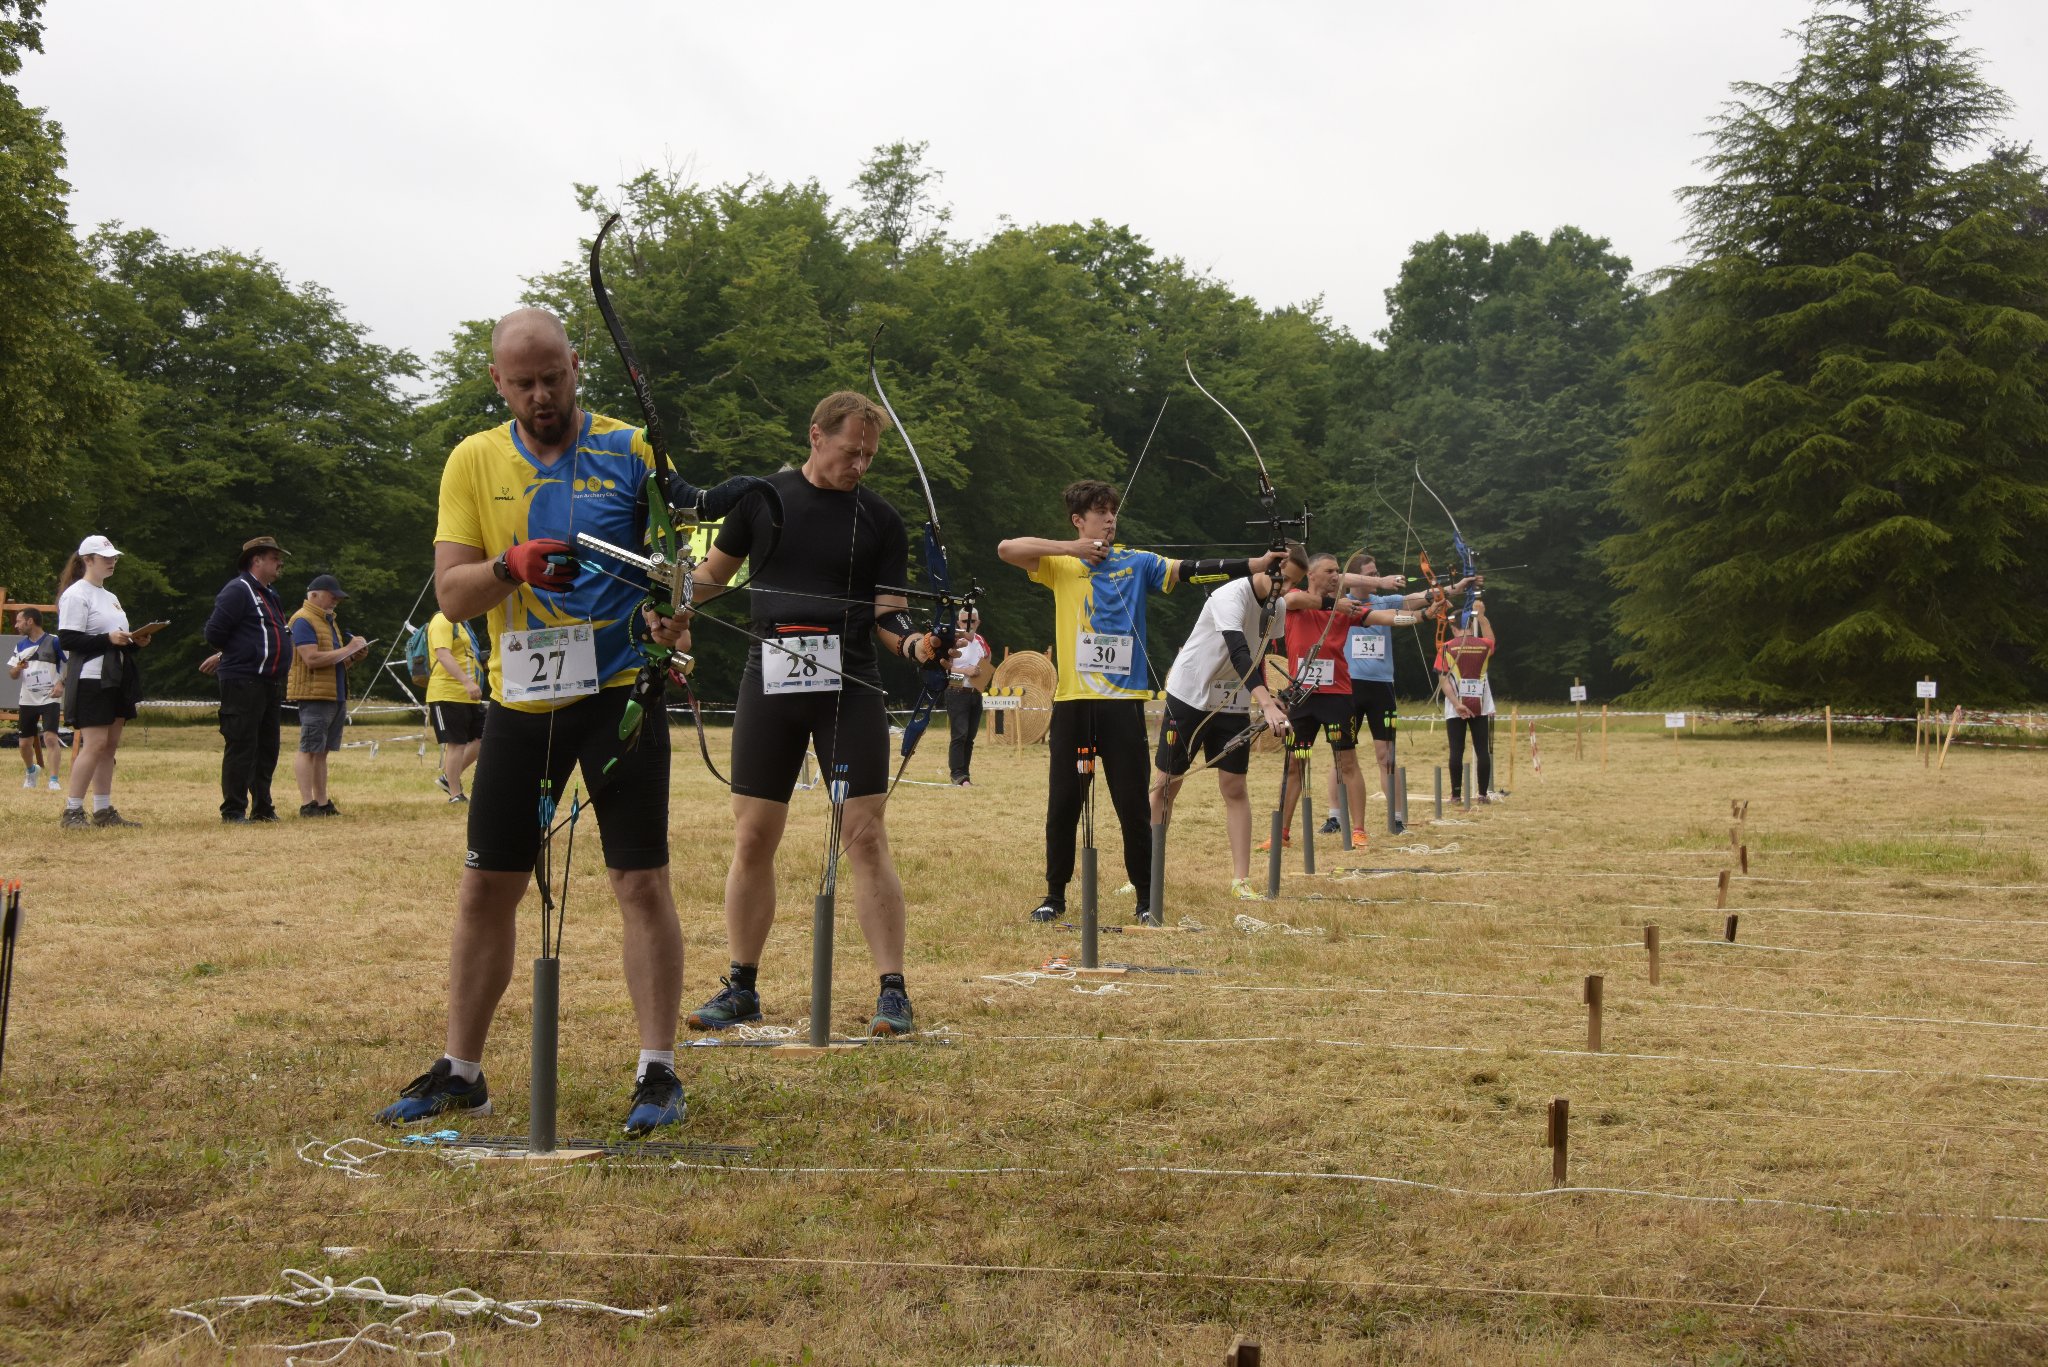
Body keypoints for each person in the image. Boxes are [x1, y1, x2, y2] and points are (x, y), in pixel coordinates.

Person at [378, 306, 703, 1136]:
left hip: (619, 695)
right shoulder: (473, 459)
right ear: (497, 381)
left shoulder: (632, 451)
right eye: (521, 383)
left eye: (551, 376)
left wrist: (676, 616)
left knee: (640, 879)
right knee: (488, 886)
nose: (539, 395)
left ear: (576, 364)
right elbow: (451, 594)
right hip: (519, 703)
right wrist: (508, 564)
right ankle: (462, 1068)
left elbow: (686, 569)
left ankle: (658, 1069)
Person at [684, 390, 945, 1039]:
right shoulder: (760, 499)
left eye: (870, 455)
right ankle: (742, 985)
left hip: (850, 679)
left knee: (865, 833)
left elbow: (891, 614)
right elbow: (715, 576)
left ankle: (892, 989)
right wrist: (669, 593)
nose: (860, 463)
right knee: (752, 835)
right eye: (851, 450)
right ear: (816, 435)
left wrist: (917, 645)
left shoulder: (880, 519)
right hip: (768, 673)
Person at [997, 480, 1282, 925]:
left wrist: (1254, 565)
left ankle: (1146, 900)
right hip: (1074, 701)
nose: (1110, 519)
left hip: (1123, 702)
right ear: (1079, 520)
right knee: (1063, 804)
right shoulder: (1059, 563)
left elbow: (1193, 570)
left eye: (1113, 511)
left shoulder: (1138, 562)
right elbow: (1006, 549)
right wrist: (1073, 550)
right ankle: (1054, 895)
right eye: (1100, 512)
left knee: (1132, 802)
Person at [1150, 547, 1303, 899]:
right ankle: (1145, 871)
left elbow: (1260, 651)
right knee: (1166, 785)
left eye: (1296, 582)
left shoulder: (1277, 606)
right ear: (1269, 567)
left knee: (1234, 788)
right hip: (1189, 695)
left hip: (1233, 702)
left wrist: (1272, 697)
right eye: (1285, 577)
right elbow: (1239, 651)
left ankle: (1240, 880)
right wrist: (1265, 703)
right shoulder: (1229, 594)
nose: (1288, 587)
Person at [1320, 552, 1476, 835]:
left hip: (1381, 687)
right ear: (1360, 577)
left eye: (1376, 571)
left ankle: (1397, 818)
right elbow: (1336, 581)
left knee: (1387, 756)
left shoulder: (1384, 602)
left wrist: (1454, 588)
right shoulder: (1342, 604)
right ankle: (1335, 816)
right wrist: (1382, 581)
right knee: (1342, 756)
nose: (1376, 575)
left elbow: (1420, 597)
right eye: (1370, 572)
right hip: (1347, 686)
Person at [1265, 552, 1372, 851]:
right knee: (1294, 765)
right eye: (1331, 571)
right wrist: (1335, 604)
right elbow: (1292, 601)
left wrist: (1421, 614)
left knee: (1347, 762)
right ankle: (1281, 833)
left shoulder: (1345, 608)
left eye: (1339, 571)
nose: (1336, 576)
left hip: (1337, 696)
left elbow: (1382, 615)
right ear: (1311, 575)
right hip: (1301, 697)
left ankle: (1359, 831)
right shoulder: (1296, 596)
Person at [55, 535, 149, 828]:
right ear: (87, 560)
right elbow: (69, 639)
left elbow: (115, 642)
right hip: (90, 679)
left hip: (116, 677)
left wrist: (136, 642)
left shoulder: (110, 597)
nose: (111, 562)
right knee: (93, 745)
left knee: (109, 746)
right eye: (104, 557)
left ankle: (103, 810)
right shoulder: (76, 594)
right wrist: (108, 638)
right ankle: (72, 811)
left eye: (113, 557)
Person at [202, 536, 293, 823]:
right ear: (256, 560)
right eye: (274, 557)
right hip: (243, 681)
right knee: (242, 745)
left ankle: (263, 808)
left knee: (267, 748)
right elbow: (214, 633)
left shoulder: (270, 594)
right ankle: (233, 810)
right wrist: (236, 654)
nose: (280, 563)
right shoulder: (237, 590)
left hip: (270, 682)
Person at [286, 573, 369, 817]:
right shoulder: (302, 620)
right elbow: (311, 659)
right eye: (332, 596)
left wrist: (354, 656)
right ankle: (307, 803)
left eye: (338, 598)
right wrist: (348, 649)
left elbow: (336, 662)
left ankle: (322, 803)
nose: (336, 601)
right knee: (309, 748)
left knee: (322, 752)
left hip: (335, 693)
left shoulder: (328, 621)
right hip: (314, 695)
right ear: (314, 595)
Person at [1438, 600, 1498, 803]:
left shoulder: (1446, 647)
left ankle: (1455, 795)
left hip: (1456, 707)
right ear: (1471, 626)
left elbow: (1443, 680)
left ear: (1453, 627)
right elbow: (1490, 637)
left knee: (1456, 749)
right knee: (1482, 749)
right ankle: (1482, 795)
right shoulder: (1484, 645)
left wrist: (1456, 704)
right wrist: (1481, 616)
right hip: (1482, 705)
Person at [426, 611, 485, 803]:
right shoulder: (442, 620)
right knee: (456, 743)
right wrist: (466, 682)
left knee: (483, 738)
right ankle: (455, 794)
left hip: (468, 696)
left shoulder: (463, 624)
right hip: (447, 692)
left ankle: (448, 777)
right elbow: (443, 655)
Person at [9, 608, 64, 792]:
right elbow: (13, 674)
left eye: (19, 621)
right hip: (27, 699)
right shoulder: (21, 646)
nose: (16, 625)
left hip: (50, 699)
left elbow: (69, 664)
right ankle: (31, 771)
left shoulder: (54, 641)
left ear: (30, 621)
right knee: (24, 743)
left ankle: (54, 780)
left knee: (50, 738)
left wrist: (61, 684)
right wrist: (18, 668)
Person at [944, 606, 992, 785]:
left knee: (970, 736)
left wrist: (981, 677)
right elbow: (945, 668)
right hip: (956, 691)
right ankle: (957, 775)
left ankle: (965, 775)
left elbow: (988, 656)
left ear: (978, 622)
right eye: (965, 621)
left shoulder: (980, 640)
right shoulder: (953, 641)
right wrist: (965, 671)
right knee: (960, 734)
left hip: (975, 693)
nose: (968, 624)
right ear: (958, 623)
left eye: (972, 621)